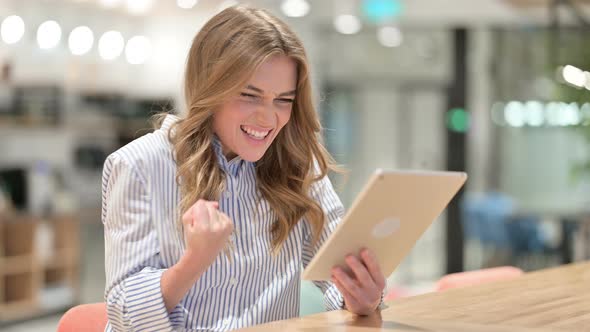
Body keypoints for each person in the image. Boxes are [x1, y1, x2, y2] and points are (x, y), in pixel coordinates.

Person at [102, 5, 385, 331]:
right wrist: (194, 261)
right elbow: (124, 316)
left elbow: (339, 272)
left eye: (283, 100)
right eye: (250, 96)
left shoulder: (295, 166)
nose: (268, 118)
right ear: (210, 88)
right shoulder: (139, 165)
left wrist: (361, 296)